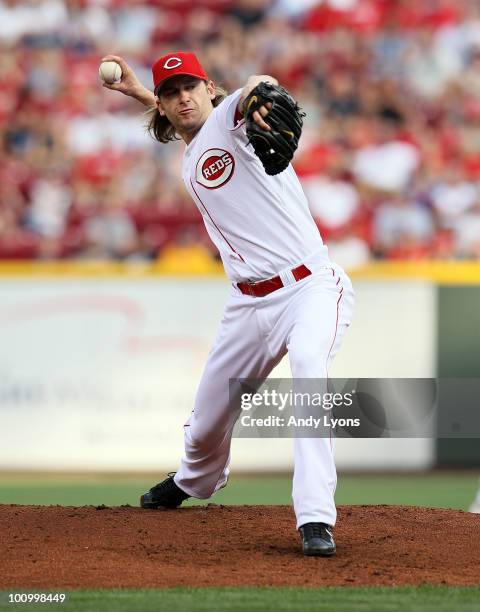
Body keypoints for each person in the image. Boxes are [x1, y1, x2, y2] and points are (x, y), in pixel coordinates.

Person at [101, 51, 354, 556]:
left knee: (308, 368)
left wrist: (262, 87)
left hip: (310, 288)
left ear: (210, 87)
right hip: (246, 306)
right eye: (170, 93)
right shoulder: (195, 144)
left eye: (189, 86)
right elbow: (187, 118)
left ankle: (315, 517)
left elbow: (257, 85)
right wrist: (137, 92)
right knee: (205, 426)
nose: (182, 97)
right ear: (164, 106)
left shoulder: (231, 119)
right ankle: (194, 479)